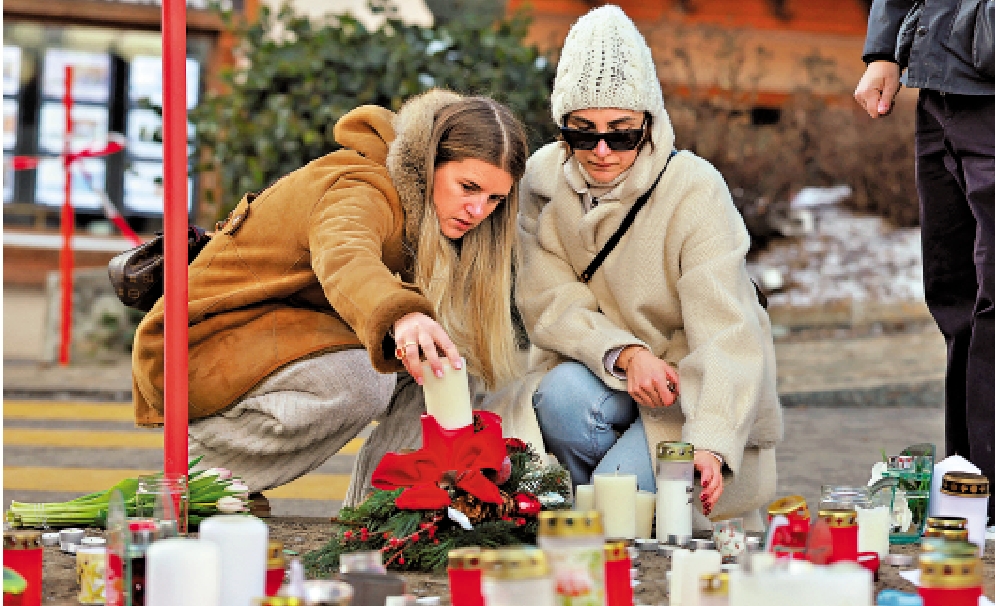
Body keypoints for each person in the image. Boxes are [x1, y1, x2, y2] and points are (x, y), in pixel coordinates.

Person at [131, 89, 528, 512]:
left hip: (283, 338)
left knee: (449, 364)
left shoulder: (437, 215)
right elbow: (345, 258)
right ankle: (202, 478)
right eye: (468, 187)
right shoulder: (360, 186)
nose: (477, 210)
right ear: (430, 163)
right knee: (361, 381)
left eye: (494, 199)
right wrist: (405, 315)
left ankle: (383, 514)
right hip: (201, 345)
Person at [485, 5, 782, 531]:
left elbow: (727, 330)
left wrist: (711, 441)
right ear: (561, 127)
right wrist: (625, 353)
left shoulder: (694, 188)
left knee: (607, 514)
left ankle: (622, 506)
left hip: (687, 394)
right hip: (603, 377)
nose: (601, 151)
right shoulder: (540, 183)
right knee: (559, 397)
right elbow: (547, 302)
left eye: (621, 133)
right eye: (583, 133)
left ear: (649, 122)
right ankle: (623, 507)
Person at [855, 0, 995, 519]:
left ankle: (987, 504)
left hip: (989, 79)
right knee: (953, 297)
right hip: (939, 86)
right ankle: (969, 491)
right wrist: (886, 50)